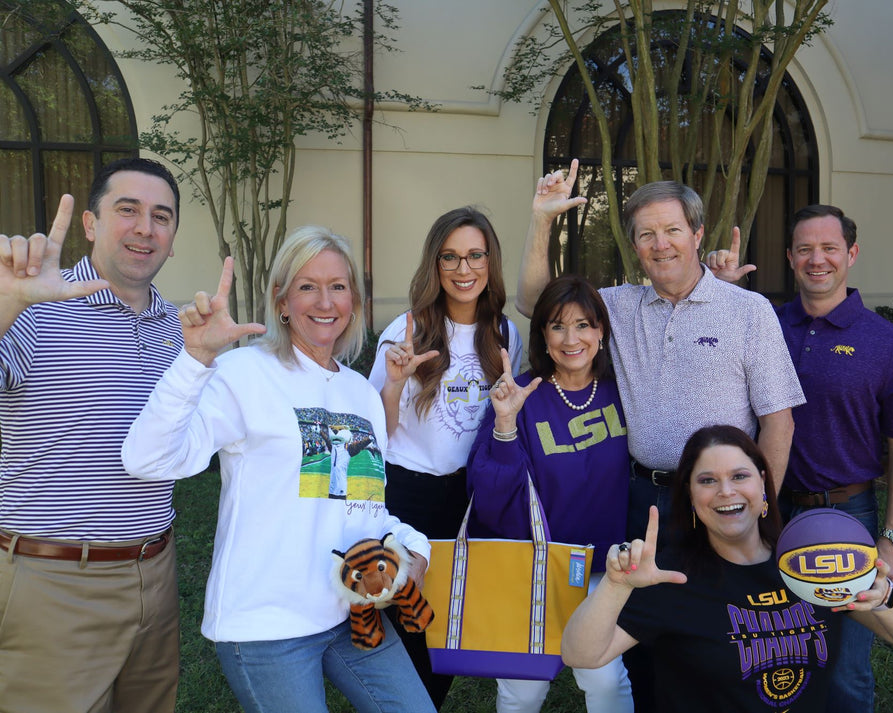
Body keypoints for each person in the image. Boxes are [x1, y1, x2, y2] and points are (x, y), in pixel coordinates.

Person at [517, 161, 803, 713]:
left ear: (697, 234)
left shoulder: (748, 311)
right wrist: (541, 221)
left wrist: (759, 502)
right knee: (641, 636)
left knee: (721, 630)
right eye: (646, 234)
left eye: (672, 230)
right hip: (644, 500)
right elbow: (536, 305)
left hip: (721, 499)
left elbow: (778, 421)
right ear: (634, 247)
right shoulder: (617, 308)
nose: (660, 244)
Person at [121, 227, 435, 713]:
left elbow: (364, 507)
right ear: (282, 300)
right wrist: (196, 358)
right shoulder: (244, 373)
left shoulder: (361, 395)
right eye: (307, 286)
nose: (325, 300)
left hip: (351, 618)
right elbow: (147, 460)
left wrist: (412, 552)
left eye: (338, 285)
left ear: (353, 298)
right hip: (268, 625)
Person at [709, 204, 893, 713]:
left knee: (847, 666)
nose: (817, 260)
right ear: (789, 256)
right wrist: (719, 290)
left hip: (847, 515)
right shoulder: (761, 321)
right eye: (805, 249)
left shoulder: (888, 344)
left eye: (829, 248)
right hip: (766, 509)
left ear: (851, 254)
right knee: (764, 649)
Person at [560, 425, 893, 713]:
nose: (726, 490)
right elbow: (581, 655)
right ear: (691, 499)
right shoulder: (671, 575)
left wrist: (884, 595)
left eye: (740, 476)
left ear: (763, 485)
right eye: (707, 481)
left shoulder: (809, 562)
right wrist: (615, 585)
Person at [0, 157, 184, 713]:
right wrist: (7, 302)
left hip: (156, 574)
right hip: (54, 579)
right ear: (89, 224)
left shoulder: (176, 327)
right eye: (126, 210)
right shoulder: (35, 306)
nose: (144, 228)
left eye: (161, 216)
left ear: (173, 237)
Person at [368, 206, 522, 707]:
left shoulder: (504, 333)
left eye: (475, 255)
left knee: (448, 628)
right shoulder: (406, 330)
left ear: (490, 261)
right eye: (449, 257)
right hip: (409, 494)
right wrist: (393, 383)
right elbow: (377, 433)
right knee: (408, 624)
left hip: (470, 498)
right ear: (434, 265)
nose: (463, 269)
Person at [467, 275, 632, 713]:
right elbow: (491, 496)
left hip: (602, 569)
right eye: (558, 326)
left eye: (584, 325)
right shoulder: (522, 395)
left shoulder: (625, 391)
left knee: (607, 681)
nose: (571, 338)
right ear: (542, 334)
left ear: (601, 331)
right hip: (534, 568)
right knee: (523, 692)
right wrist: (505, 423)